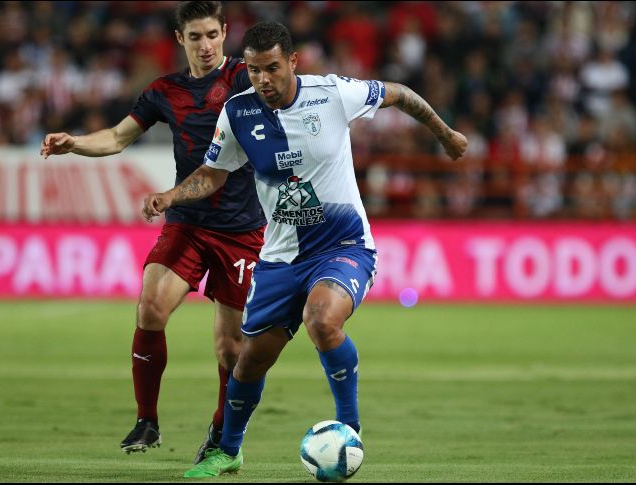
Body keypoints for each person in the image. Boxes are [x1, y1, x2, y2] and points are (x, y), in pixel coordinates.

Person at [141, 21, 467, 478]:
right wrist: (172, 196)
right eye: (253, 71)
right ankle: (227, 450)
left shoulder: (333, 94)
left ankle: (349, 428)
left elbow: (399, 93)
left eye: (272, 68)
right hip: (279, 258)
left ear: (293, 62)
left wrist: (445, 133)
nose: (263, 80)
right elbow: (213, 174)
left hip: (344, 244)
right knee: (249, 359)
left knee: (321, 318)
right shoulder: (237, 113)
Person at [39, 2, 266, 463]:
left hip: (243, 229)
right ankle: (147, 419)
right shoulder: (165, 91)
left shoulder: (246, 78)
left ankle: (223, 436)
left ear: (225, 32)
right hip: (187, 222)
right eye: (195, 37)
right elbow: (119, 137)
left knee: (230, 345)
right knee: (151, 306)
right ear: (179, 39)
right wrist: (75, 143)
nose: (205, 46)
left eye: (212, 35)